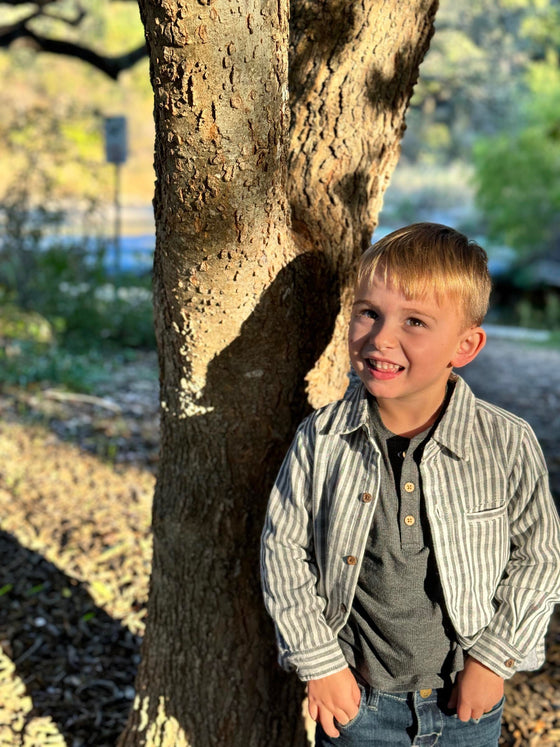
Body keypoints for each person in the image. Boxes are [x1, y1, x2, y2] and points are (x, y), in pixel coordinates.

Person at [260, 223, 560, 746]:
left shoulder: (505, 444)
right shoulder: (324, 439)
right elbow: (283, 550)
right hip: (358, 703)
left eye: (415, 321)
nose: (381, 338)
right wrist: (320, 664)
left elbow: (539, 558)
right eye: (368, 312)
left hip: (464, 702)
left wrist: (493, 663)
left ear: (465, 346)